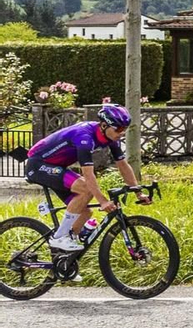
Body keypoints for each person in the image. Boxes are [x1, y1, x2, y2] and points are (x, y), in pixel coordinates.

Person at [24, 103, 147, 252]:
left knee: (84, 213)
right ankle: (59, 238)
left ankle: (63, 260)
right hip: (38, 165)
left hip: (57, 168)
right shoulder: (84, 136)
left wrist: (138, 192)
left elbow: (122, 165)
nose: (122, 133)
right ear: (103, 125)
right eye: (119, 129)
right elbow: (88, 174)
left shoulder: (111, 138)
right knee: (86, 189)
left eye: (125, 129)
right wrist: (102, 201)